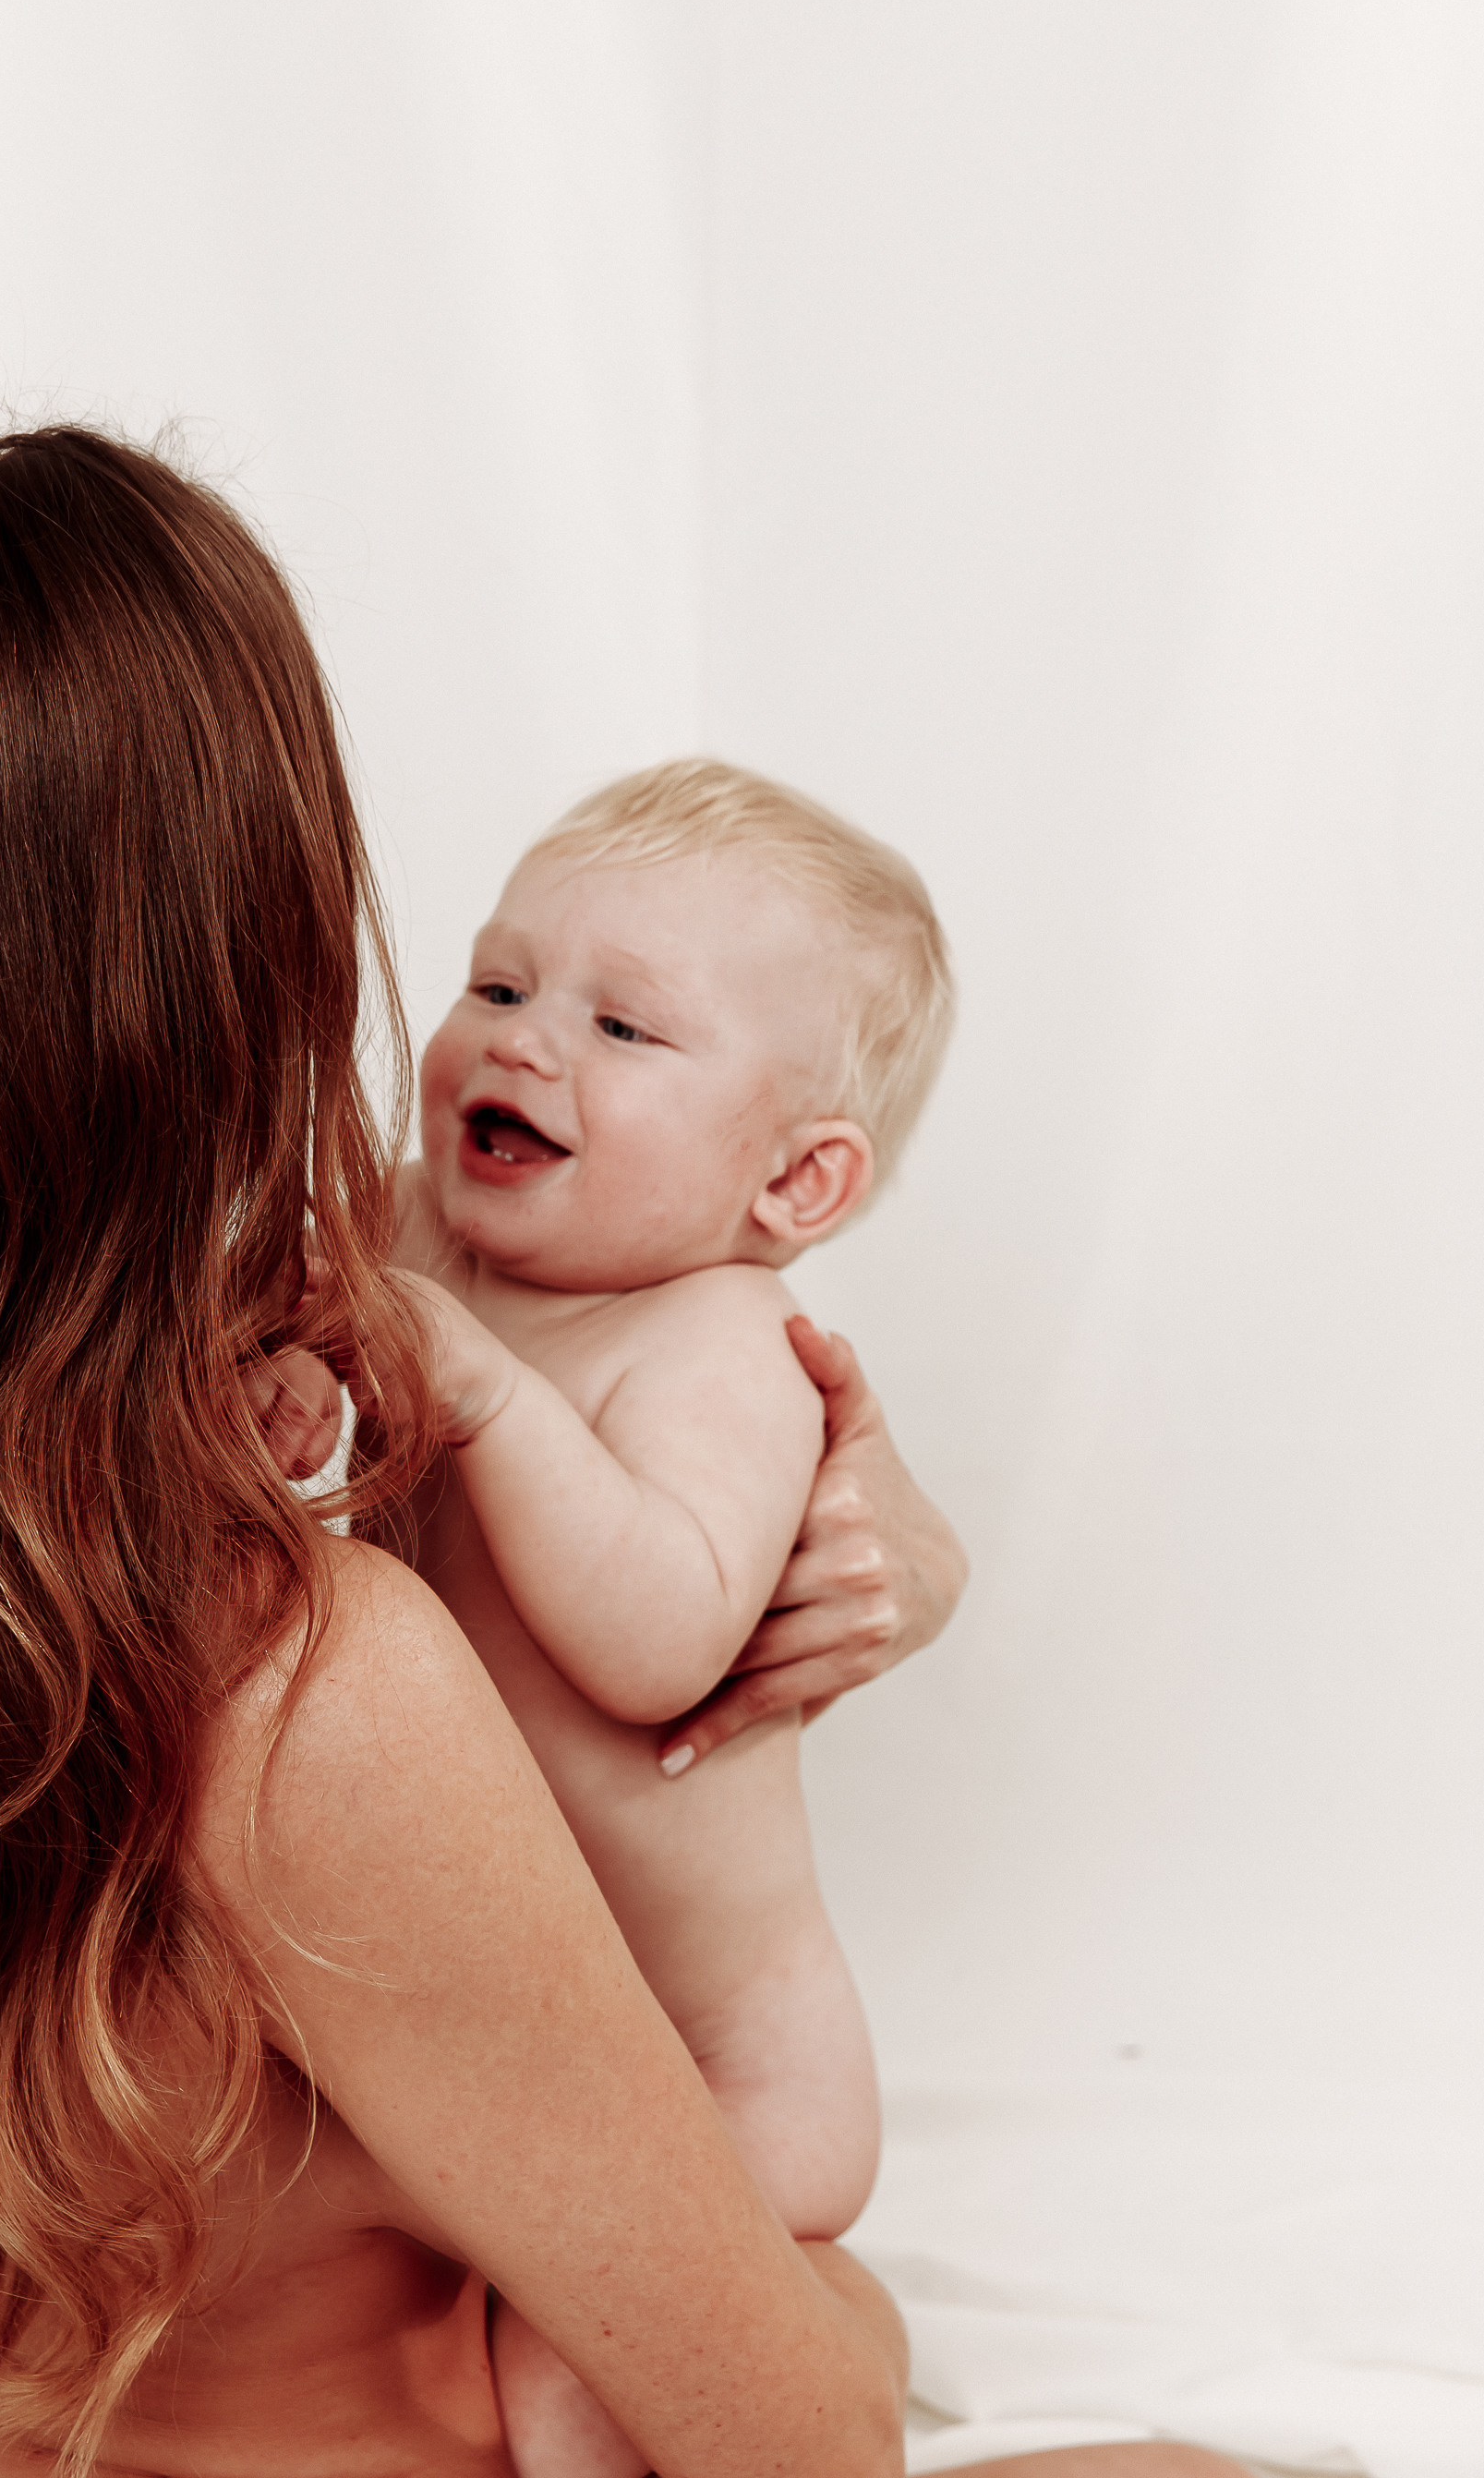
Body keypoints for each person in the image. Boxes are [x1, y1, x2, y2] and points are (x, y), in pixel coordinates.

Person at [0, 422, 1246, 2478]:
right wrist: (841, 2330)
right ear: (210, 975)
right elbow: (797, 2449)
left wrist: (874, 1541)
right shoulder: (295, 1695)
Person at [352, 761, 946, 2473]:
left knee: (568, 2367)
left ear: (794, 1187)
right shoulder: (408, 1234)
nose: (523, 1043)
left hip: (720, 2075)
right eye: (501, 983)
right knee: (430, 2360)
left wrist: (474, 1391)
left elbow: (661, 1647)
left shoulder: (723, 1348)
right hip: (509, 2054)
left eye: (626, 1031)